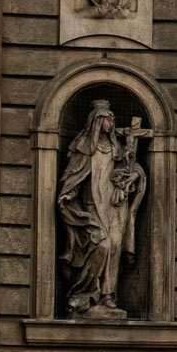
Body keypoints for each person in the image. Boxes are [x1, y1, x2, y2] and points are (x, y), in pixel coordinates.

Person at [58, 99, 147, 319]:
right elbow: (73, 175)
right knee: (102, 246)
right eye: (107, 119)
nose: (111, 123)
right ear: (97, 121)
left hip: (114, 207)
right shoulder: (84, 147)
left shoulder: (117, 148)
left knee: (115, 248)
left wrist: (131, 176)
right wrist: (69, 193)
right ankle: (85, 291)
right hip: (92, 207)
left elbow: (134, 168)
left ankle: (108, 296)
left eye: (112, 119)